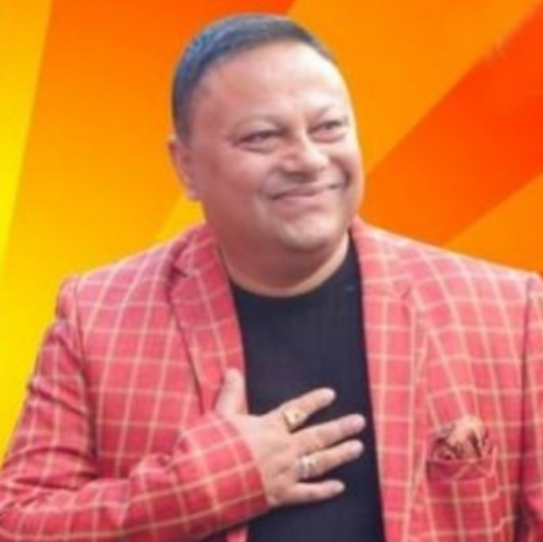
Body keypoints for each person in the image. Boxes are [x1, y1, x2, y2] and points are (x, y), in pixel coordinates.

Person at [0, 12, 542, 542]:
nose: (307, 159)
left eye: (328, 128)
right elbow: (18, 522)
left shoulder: (509, 312)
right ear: (185, 166)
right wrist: (200, 487)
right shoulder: (98, 316)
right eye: (262, 137)